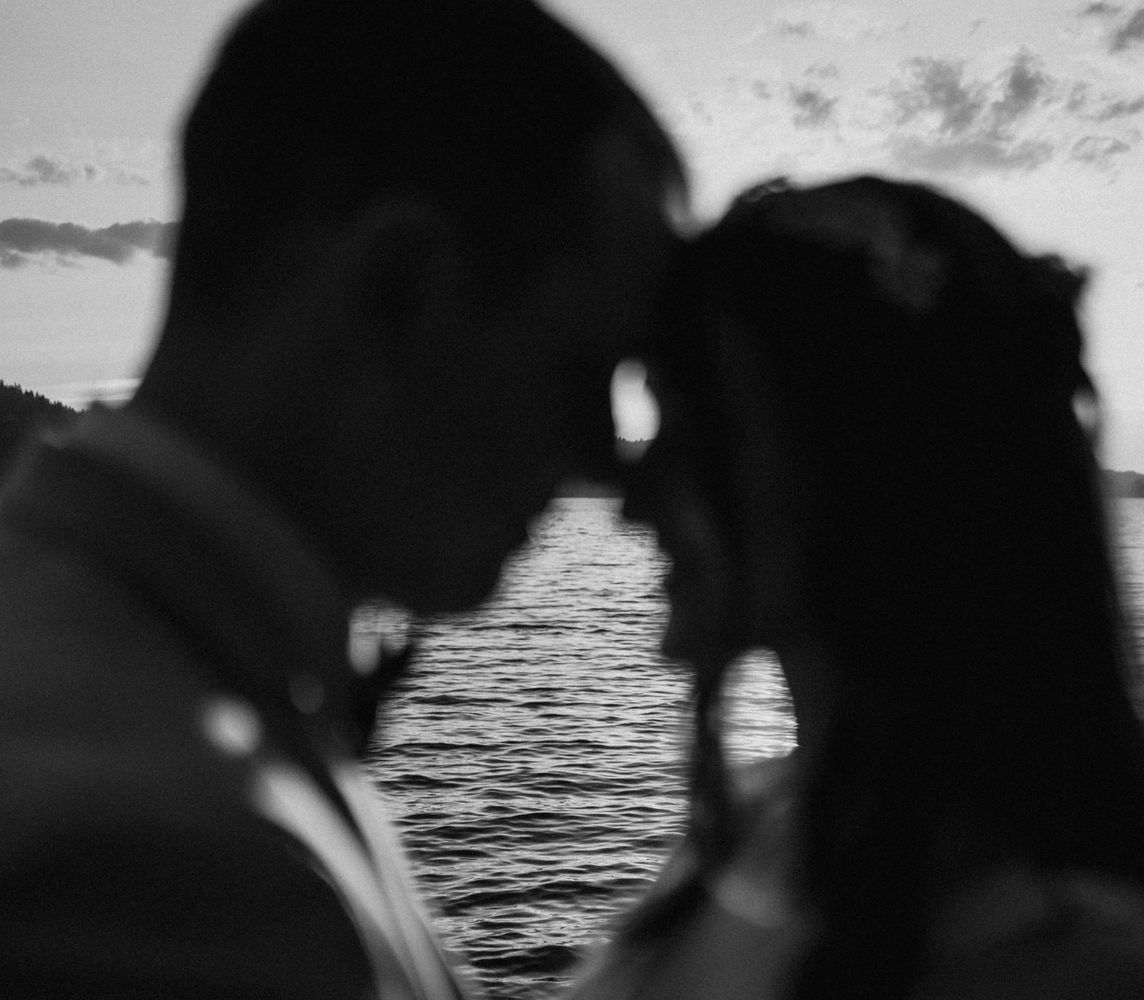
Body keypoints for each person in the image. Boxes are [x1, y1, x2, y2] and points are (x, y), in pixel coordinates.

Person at [0, 1, 683, 996]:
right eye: (582, 377)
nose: (602, 468)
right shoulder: (155, 871)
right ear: (398, 286)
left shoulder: (160, 668)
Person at [571, 177, 1144, 999]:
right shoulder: (759, 822)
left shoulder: (1063, 963)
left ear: (865, 466)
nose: (633, 499)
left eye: (693, 429)